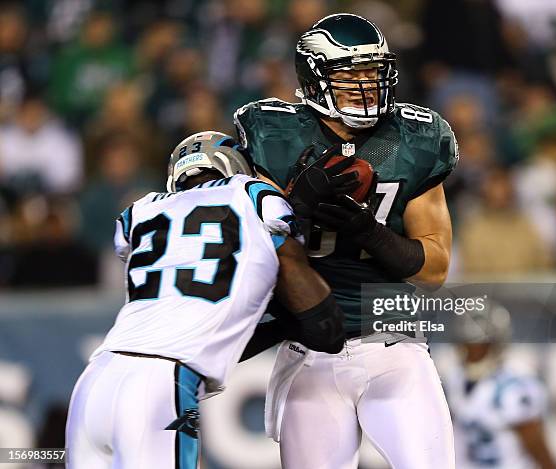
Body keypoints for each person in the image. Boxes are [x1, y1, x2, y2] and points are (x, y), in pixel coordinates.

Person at [234, 13, 458, 468]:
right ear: (315, 79)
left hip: (393, 345)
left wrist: (369, 232)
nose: (365, 86)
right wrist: (294, 203)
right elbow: (251, 245)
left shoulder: (415, 137)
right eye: (350, 74)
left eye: (373, 73)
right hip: (308, 350)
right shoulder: (273, 133)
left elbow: (434, 269)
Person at [65, 131, 346, 469]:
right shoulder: (251, 193)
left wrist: (282, 327)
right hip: (162, 383)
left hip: (95, 380)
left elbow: (201, 324)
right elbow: (318, 317)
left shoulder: (139, 210)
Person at [445, 303, 556, 469]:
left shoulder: (515, 381)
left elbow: (535, 443)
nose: (471, 352)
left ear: (496, 344)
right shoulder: (455, 379)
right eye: (467, 344)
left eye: (480, 345)